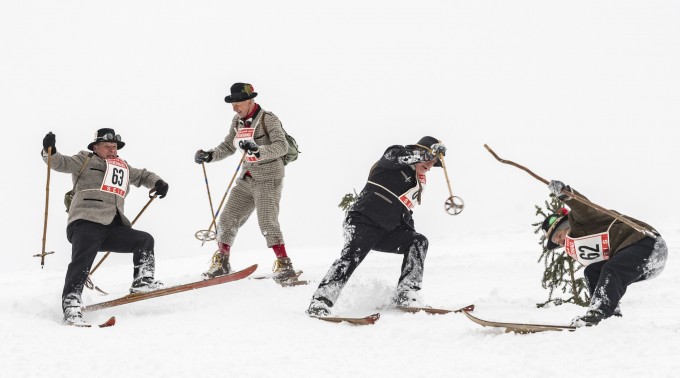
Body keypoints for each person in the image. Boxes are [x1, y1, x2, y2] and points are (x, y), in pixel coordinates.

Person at [306, 136, 447, 316]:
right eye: (429, 158)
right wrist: (425, 153)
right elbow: (396, 156)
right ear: (418, 152)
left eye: (434, 161)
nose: (430, 163)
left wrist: (409, 236)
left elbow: (405, 212)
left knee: (418, 241)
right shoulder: (395, 157)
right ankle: (320, 301)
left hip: (388, 230)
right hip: (363, 220)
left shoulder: (416, 183)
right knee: (351, 257)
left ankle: (406, 293)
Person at [41, 128, 169, 324]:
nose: (112, 150)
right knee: (82, 259)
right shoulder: (84, 159)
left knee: (144, 240)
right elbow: (60, 163)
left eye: (115, 147)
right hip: (86, 221)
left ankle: (142, 280)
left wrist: (158, 182)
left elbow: (143, 175)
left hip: (113, 226)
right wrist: (50, 150)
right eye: (107, 147)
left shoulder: (122, 166)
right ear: (96, 147)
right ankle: (71, 301)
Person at [194, 82, 297, 284]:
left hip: (268, 178)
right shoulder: (237, 121)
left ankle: (284, 264)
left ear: (250, 100)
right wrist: (209, 155)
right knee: (226, 219)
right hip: (246, 179)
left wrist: (259, 150)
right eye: (232, 104)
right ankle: (222, 261)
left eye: (238, 103)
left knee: (267, 221)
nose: (234, 108)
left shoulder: (269, 119)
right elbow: (228, 146)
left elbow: (281, 146)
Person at [542, 180, 668, 327]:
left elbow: (582, 207)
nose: (559, 242)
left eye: (558, 236)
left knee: (611, 269)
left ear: (565, 225)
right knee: (592, 271)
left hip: (649, 245)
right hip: (643, 261)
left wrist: (565, 193)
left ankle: (599, 313)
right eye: (556, 242)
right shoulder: (578, 241)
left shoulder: (582, 220)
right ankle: (610, 315)